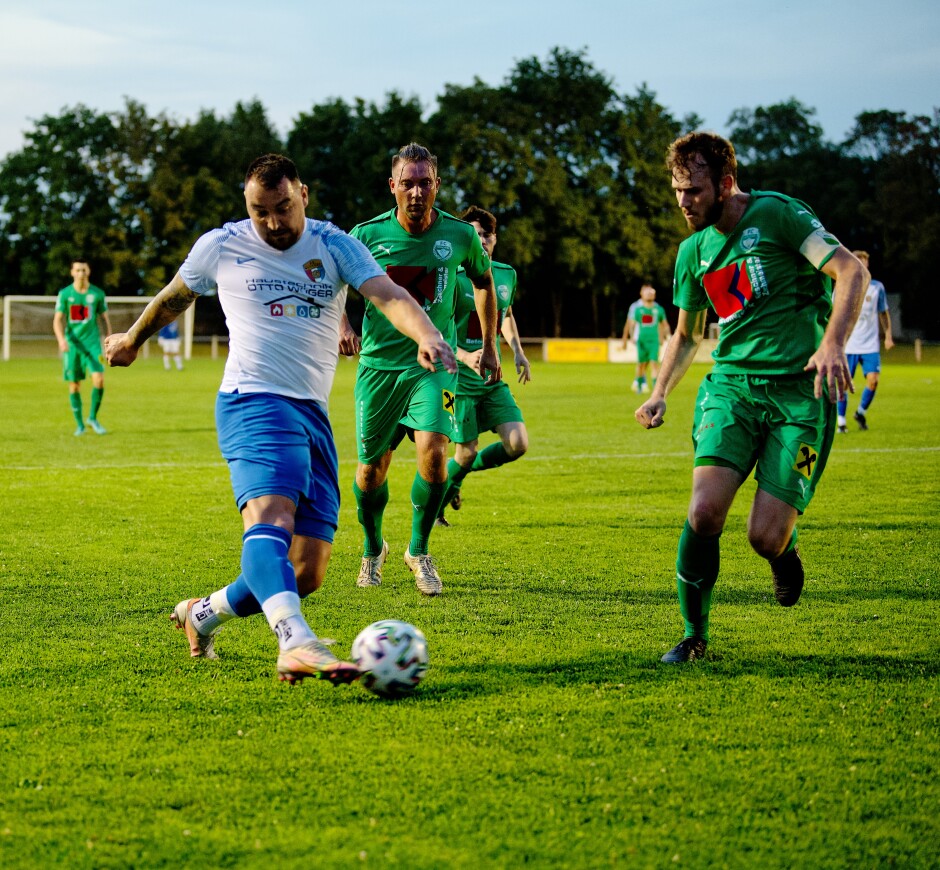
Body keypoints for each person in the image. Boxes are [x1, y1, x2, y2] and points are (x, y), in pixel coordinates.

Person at [106, 153, 456, 685]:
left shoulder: (334, 244)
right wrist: (132, 339)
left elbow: (388, 295)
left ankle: (201, 614)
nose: (271, 223)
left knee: (305, 570)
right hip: (252, 400)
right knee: (270, 515)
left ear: (304, 195)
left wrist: (426, 333)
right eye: (259, 210)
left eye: (282, 208)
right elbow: (175, 296)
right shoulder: (222, 244)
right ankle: (295, 642)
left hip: (311, 412)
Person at [635, 131, 869, 663]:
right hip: (732, 390)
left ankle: (782, 553)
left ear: (726, 183)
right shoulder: (693, 252)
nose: (683, 202)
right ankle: (695, 635)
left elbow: (850, 270)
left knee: (764, 536)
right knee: (704, 512)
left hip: (799, 394)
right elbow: (689, 333)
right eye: (677, 190)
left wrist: (833, 342)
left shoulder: (780, 215)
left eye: (693, 190)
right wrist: (660, 392)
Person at [341, 143, 500, 596]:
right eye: (407, 182)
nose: (415, 191)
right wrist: (342, 322)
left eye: (424, 182)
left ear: (437, 185)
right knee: (371, 472)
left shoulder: (460, 236)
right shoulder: (365, 236)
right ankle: (374, 550)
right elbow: (332, 283)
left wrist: (489, 346)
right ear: (392, 186)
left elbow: (485, 281)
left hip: (435, 366)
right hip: (378, 368)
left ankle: (419, 550)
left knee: (434, 453)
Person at [436, 205, 530, 527]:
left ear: (495, 239)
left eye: (487, 235)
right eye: (475, 234)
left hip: (492, 378)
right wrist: (464, 356)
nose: (482, 240)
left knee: (518, 443)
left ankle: (459, 476)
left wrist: (517, 351)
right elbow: (438, 328)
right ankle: (435, 507)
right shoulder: (450, 274)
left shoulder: (506, 274)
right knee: (463, 452)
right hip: (457, 381)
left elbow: (506, 315)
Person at [53, 259, 112, 435]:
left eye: (84, 270)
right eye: (77, 270)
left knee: (99, 380)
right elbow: (57, 320)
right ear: (72, 272)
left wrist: (108, 339)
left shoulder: (97, 293)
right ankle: (79, 424)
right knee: (74, 385)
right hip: (73, 345)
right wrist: (61, 340)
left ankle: (92, 418)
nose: (81, 273)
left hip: (93, 344)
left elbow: (104, 319)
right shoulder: (65, 294)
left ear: (88, 272)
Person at [837, 250, 893, 433]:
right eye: (858, 261)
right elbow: (833, 313)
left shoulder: (877, 288)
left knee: (873, 381)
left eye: (865, 262)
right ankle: (841, 421)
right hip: (849, 345)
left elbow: (883, 312)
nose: (862, 265)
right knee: (843, 385)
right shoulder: (843, 285)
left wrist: (889, 336)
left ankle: (860, 412)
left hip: (870, 345)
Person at [621, 284, 671, 393]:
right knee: (641, 364)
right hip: (642, 341)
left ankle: (656, 390)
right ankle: (638, 384)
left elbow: (664, 324)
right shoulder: (637, 308)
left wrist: (666, 336)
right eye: (647, 292)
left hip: (654, 341)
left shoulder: (658, 309)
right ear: (641, 293)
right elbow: (631, 324)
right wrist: (629, 337)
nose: (649, 294)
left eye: (651, 292)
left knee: (654, 363)